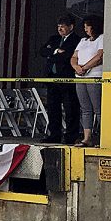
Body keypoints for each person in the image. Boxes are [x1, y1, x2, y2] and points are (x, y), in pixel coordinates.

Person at [39, 13, 82, 144]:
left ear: (71, 27)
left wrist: (52, 54)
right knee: (53, 108)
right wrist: (55, 51)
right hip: (52, 79)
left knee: (70, 108)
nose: (60, 29)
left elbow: (67, 56)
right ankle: (54, 134)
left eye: (62, 26)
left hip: (67, 79)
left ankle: (71, 136)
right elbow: (42, 51)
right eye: (58, 26)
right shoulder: (54, 39)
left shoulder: (76, 40)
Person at [71, 14, 105, 148]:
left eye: (88, 26)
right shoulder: (83, 41)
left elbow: (99, 56)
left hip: (94, 75)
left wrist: (84, 67)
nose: (85, 29)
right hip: (80, 77)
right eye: (84, 26)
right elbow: (74, 57)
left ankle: (103, 138)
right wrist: (76, 67)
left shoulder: (102, 38)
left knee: (98, 108)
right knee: (85, 108)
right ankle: (87, 138)